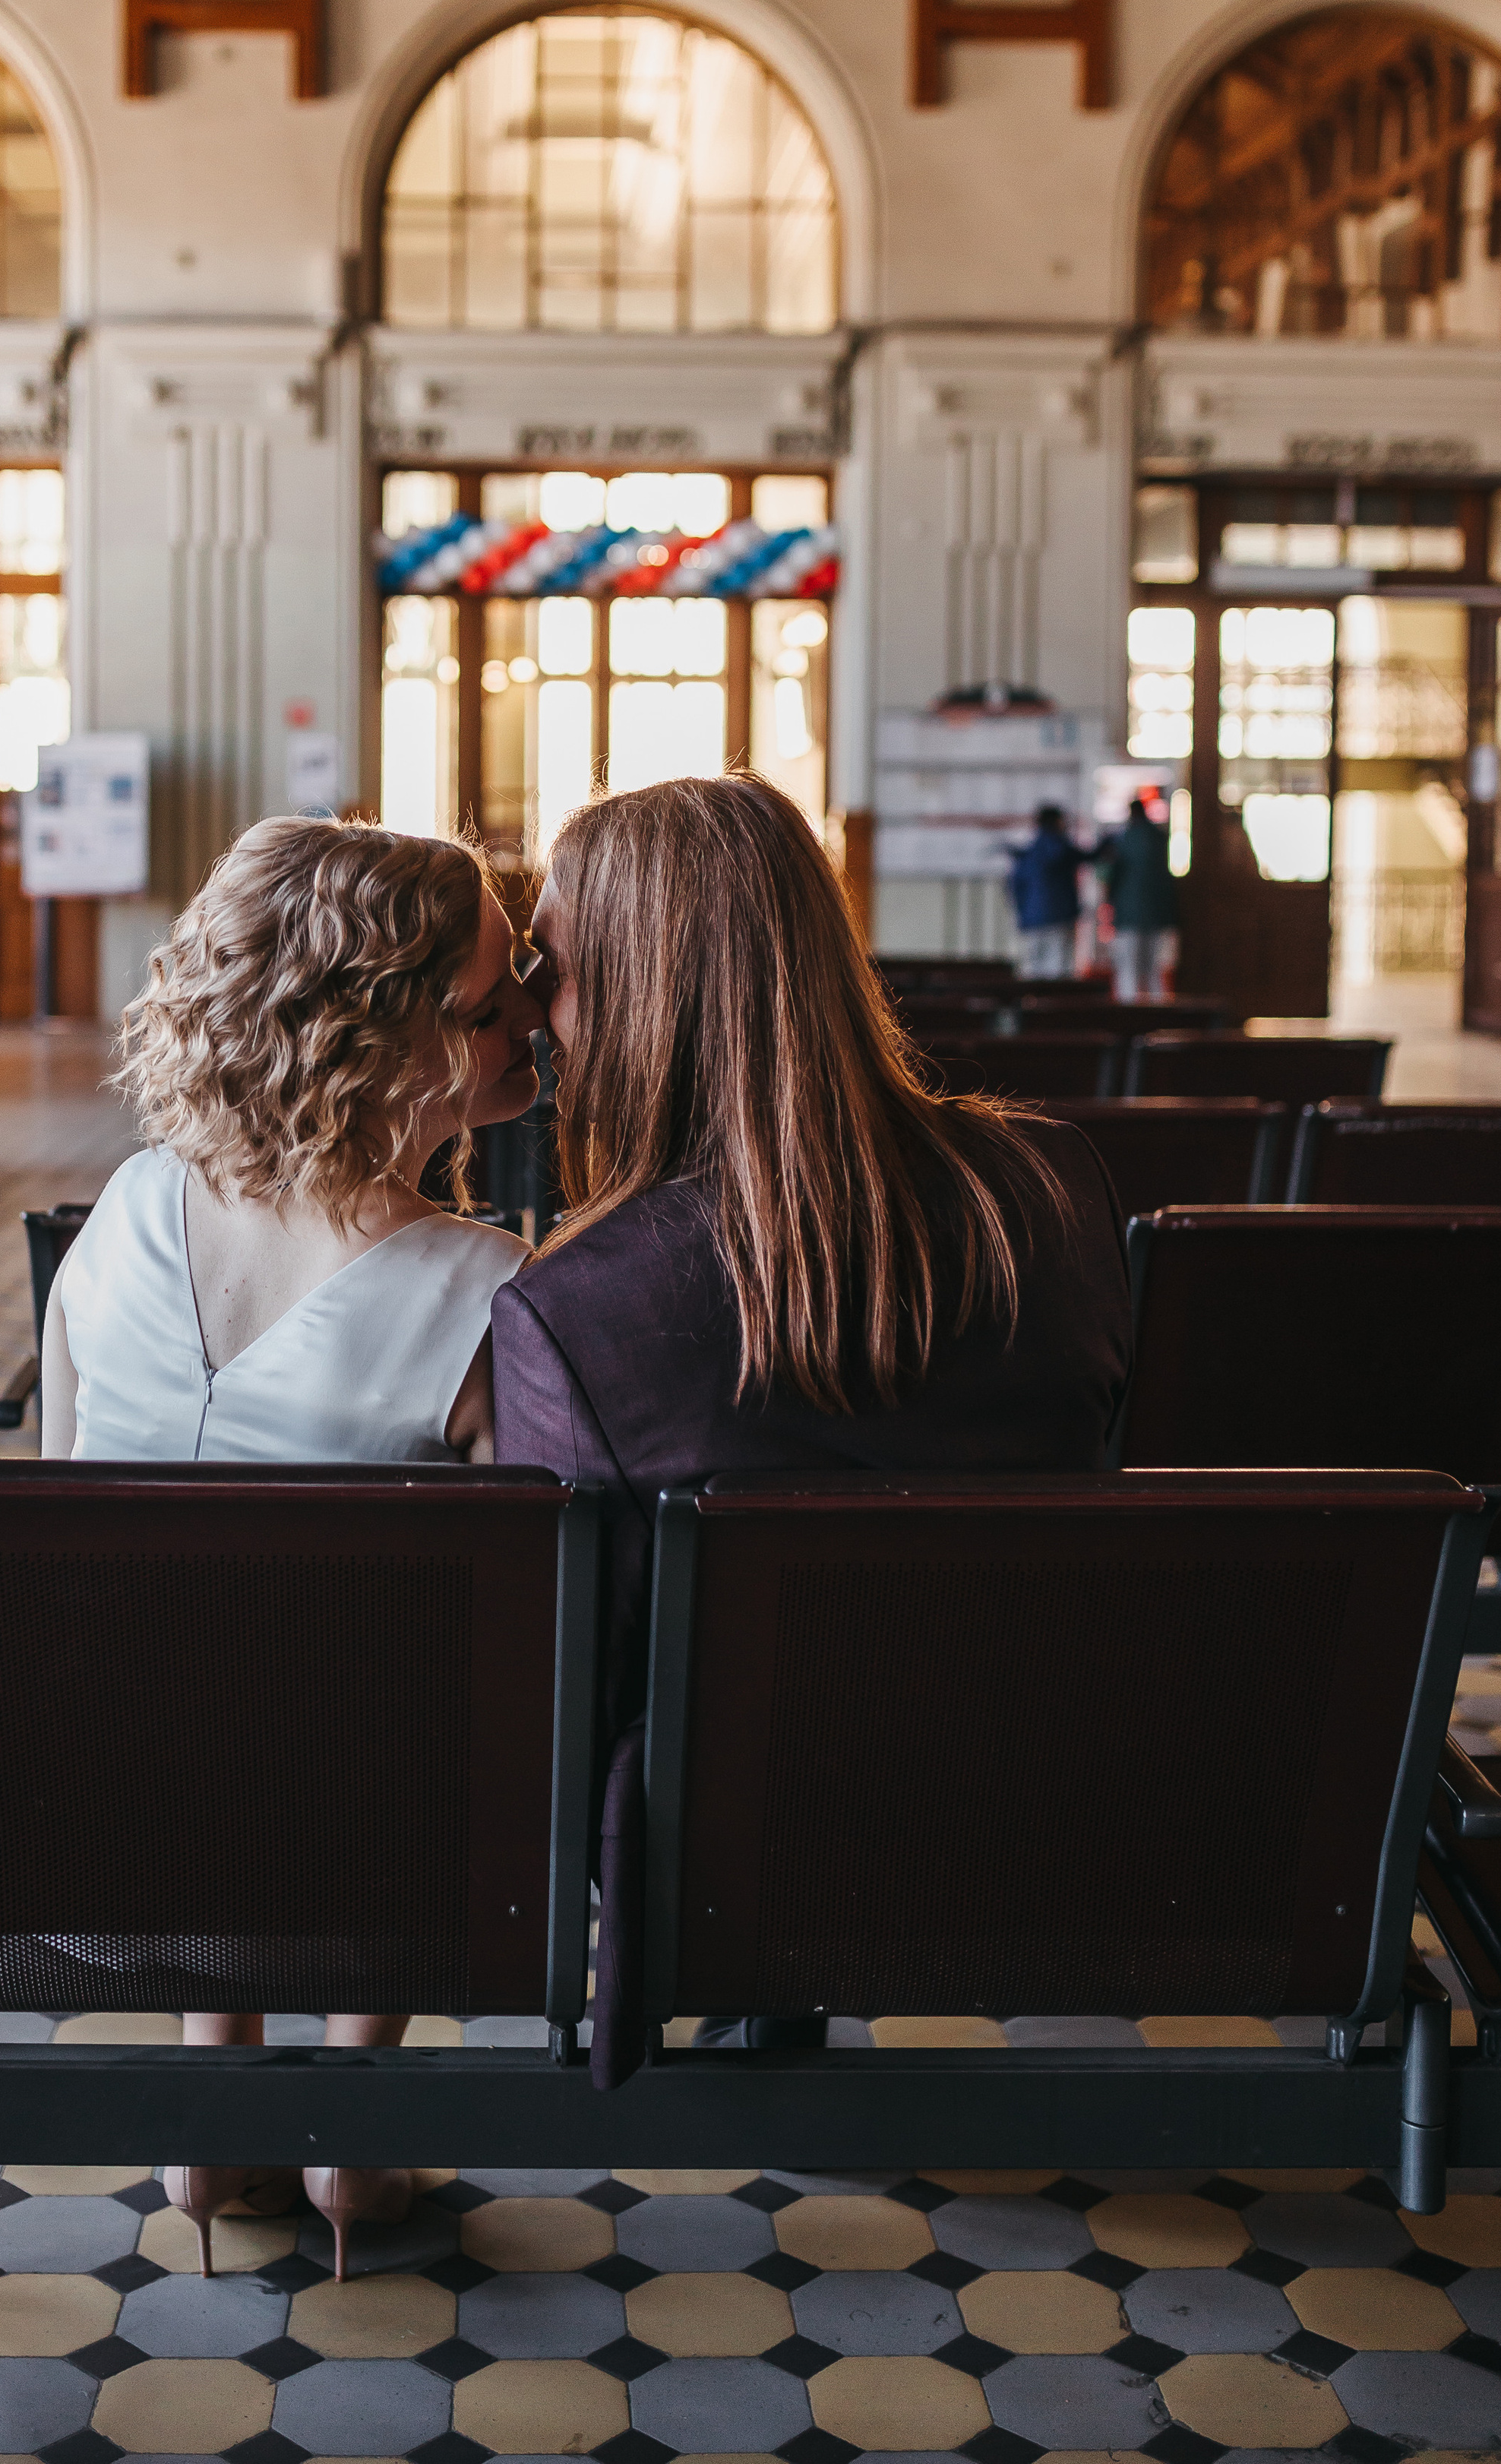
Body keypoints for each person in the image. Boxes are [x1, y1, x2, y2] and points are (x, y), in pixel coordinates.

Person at [492, 773, 1131, 2049]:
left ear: (641, 985)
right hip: (1058, 1802)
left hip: (735, 1845)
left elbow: (566, 1688)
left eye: (545, 967)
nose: (536, 1018)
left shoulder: (580, 1310)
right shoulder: (1048, 1185)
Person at [40, 815, 543, 2276]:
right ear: (369, 1038)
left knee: (187, 1667)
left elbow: (67, 1528)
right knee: (417, 1690)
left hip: (104, 1826)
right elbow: (517, 1637)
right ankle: (353, 2123)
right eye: (489, 1003)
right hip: (362, 1842)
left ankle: (217, 2109)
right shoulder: (483, 1293)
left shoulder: (122, 1214)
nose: (535, 1021)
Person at [1099, 791, 1180, 1001]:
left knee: (1128, 970)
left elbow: (1110, 874)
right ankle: (1161, 1020)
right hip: (1158, 914)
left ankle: (1129, 1020)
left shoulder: (1122, 839)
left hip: (1128, 915)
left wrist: (1108, 901)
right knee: (1154, 969)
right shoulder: (1161, 838)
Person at [1003, 802, 1089, 979]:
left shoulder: (1027, 853)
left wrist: (1023, 912)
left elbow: (1015, 887)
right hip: (1061, 918)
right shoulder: (1064, 850)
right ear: (1058, 822)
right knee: (1060, 971)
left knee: (1032, 970)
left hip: (1032, 920)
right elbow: (1090, 856)